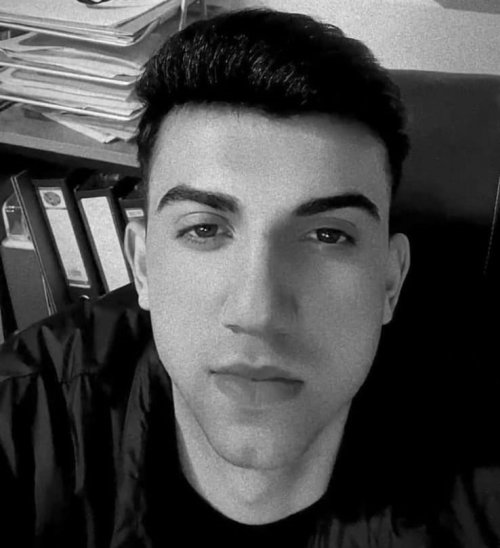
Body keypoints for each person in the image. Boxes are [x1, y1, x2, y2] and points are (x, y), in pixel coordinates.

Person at [0, 8, 498, 548]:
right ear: (142, 266)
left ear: (390, 283)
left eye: (328, 235)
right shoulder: (20, 421)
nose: (257, 312)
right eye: (204, 229)